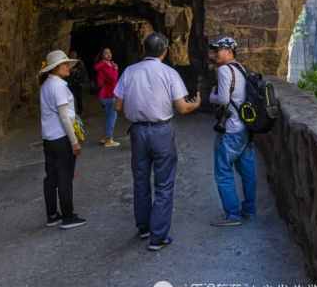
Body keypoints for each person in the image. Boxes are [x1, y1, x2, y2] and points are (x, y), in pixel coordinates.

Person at [113, 33, 201, 251]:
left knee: (140, 180)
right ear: (165, 50)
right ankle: (158, 236)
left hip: (137, 132)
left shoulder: (129, 72)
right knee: (164, 183)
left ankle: (143, 227)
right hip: (161, 131)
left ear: (144, 49)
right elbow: (182, 107)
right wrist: (196, 104)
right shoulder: (169, 73)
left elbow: (117, 106)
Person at [207, 36, 256, 227]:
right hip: (245, 128)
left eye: (218, 50)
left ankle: (233, 215)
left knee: (223, 172)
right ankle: (249, 210)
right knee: (248, 171)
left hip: (230, 130)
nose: (214, 54)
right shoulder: (241, 69)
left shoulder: (224, 70)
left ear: (229, 51)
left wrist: (212, 95)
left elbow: (223, 100)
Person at [39, 50, 87, 230]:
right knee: (65, 178)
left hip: (49, 138)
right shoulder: (59, 87)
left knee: (51, 177)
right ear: (56, 68)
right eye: (65, 64)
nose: (68, 67)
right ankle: (68, 217)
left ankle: (52, 214)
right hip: (61, 138)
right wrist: (74, 142)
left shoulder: (46, 85)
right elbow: (65, 117)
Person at [94, 47, 120, 147]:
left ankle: (105, 137)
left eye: (110, 52)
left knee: (109, 116)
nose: (108, 54)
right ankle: (109, 140)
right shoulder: (105, 66)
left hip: (106, 94)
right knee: (112, 117)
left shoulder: (106, 65)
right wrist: (115, 69)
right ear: (102, 55)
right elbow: (113, 79)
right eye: (106, 53)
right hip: (108, 95)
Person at [66, 49, 88, 119]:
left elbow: (84, 72)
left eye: (74, 54)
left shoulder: (79, 62)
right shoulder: (67, 62)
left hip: (78, 83)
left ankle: (80, 111)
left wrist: (77, 72)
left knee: (79, 98)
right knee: (70, 98)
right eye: (72, 54)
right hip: (70, 83)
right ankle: (70, 112)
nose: (73, 55)